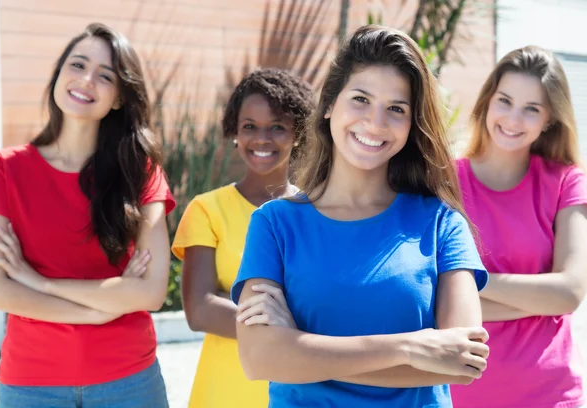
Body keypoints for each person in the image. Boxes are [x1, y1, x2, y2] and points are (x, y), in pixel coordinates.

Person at [230, 25, 490, 408]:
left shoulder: (441, 224)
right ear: (330, 104)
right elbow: (257, 359)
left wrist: (298, 349)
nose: (375, 122)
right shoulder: (274, 225)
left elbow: (462, 363)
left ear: (411, 124)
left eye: (396, 109)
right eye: (361, 99)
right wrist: (410, 346)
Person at [0, 23, 175, 408]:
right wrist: (95, 313)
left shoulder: (140, 171)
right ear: (58, 74)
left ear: (120, 97)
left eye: (105, 76)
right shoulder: (4, 170)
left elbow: (151, 291)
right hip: (31, 383)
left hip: (129, 380)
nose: (87, 80)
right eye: (77, 65)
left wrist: (38, 282)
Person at [450, 45, 587, 408]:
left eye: (531, 109)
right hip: (462, 392)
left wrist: (473, 284)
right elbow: (431, 294)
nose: (513, 119)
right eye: (505, 101)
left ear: (549, 120)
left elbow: (571, 291)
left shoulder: (566, 182)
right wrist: (539, 302)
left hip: (550, 394)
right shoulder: (443, 181)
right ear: (487, 102)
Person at [170, 68, 314, 408]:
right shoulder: (207, 209)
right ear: (235, 132)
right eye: (249, 126)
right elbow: (200, 310)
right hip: (223, 393)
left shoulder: (318, 214)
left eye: (277, 127)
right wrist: (291, 322)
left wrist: (232, 301)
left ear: (298, 134)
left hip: (299, 391)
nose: (261, 138)